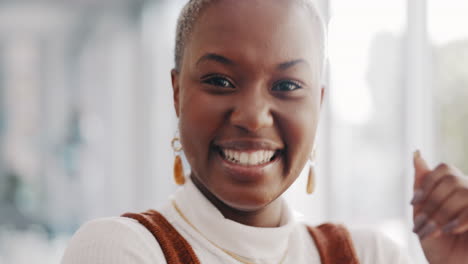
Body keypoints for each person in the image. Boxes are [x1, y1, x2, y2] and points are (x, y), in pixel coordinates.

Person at [61, 0, 468, 263]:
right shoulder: (119, 250)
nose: (253, 117)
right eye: (220, 81)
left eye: (287, 86)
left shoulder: (369, 256)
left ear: (318, 104)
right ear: (177, 93)